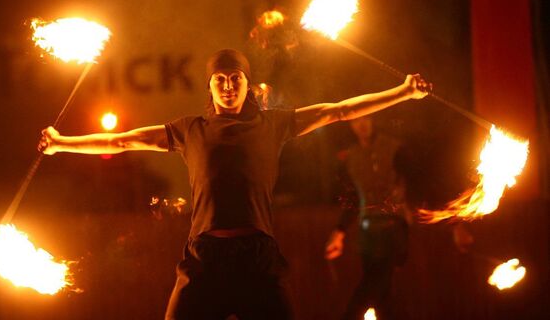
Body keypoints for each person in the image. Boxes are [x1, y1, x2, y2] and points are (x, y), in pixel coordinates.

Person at [38, 49, 430, 320]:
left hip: (258, 261)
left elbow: (340, 111)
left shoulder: (273, 124)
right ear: (209, 87)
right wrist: (60, 144)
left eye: (235, 78)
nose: (228, 85)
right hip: (204, 262)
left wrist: (404, 92)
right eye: (220, 80)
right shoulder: (190, 129)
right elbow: (120, 140)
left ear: (246, 83)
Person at [325, 115, 411, 320]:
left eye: (365, 119)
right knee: (381, 292)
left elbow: (414, 182)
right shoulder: (350, 157)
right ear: (350, 125)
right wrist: (339, 232)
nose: (361, 125)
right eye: (356, 121)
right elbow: (353, 200)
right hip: (368, 231)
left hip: (393, 227)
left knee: (377, 283)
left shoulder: (395, 148)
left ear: (373, 120)